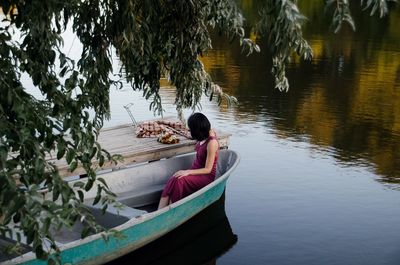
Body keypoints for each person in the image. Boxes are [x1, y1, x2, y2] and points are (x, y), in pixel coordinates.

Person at [157, 113, 219, 209]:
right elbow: (199, 137)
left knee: (180, 181)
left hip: (205, 176)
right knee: (174, 178)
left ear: (197, 130)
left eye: (191, 129)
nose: (189, 131)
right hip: (195, 171)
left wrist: (187, 172)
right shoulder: (203, 136)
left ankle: (171, 209)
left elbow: (208, 169)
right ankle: (159, 211)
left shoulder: (212, 143)